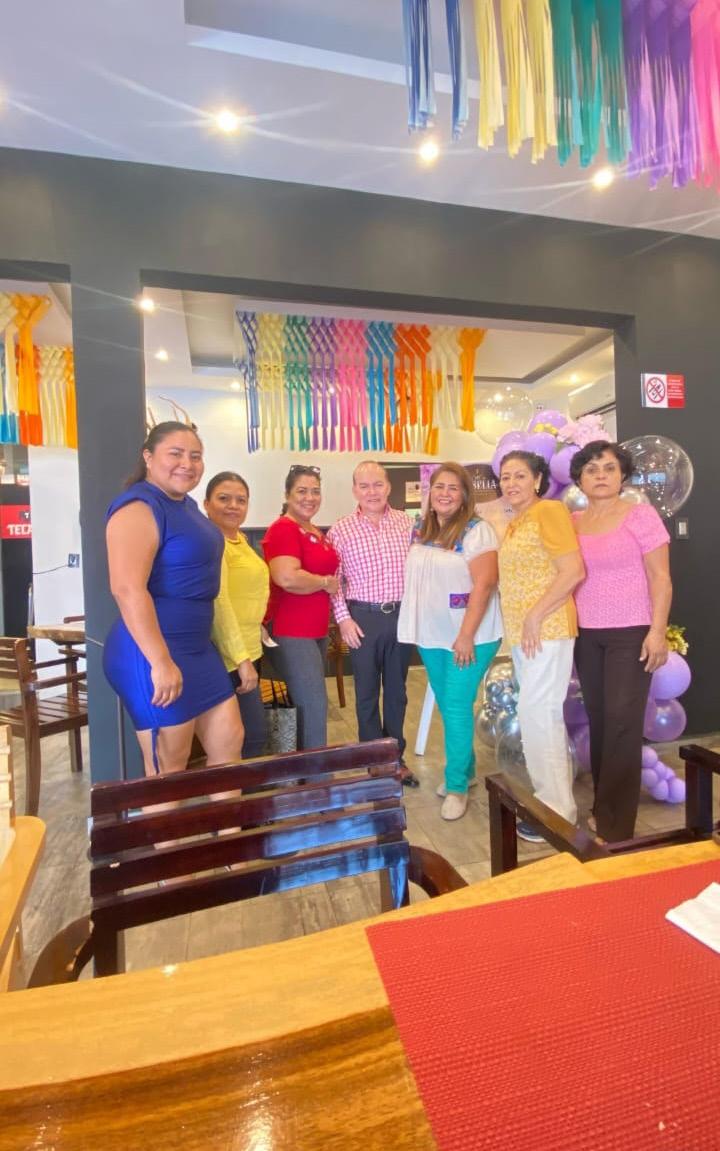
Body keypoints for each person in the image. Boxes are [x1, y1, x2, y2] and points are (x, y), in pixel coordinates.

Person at [104, 422, 244, 777]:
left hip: (198, 649)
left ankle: (230, 817)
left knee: (229, 746)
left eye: (195, 456)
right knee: (170, 770)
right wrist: (161, 661)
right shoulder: (138, 506)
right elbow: (126, 589)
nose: (187, 464)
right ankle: (164, 820)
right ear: (148, 457)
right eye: (176, 454)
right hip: (152, 651)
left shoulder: (188, 505)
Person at [570, 441, 672, 842]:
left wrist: (658, 631)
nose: (600, 475)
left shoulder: (641, 516)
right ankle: (602, 806)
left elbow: (661, 578)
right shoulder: (573, 521)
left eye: (609, 468)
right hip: (585, 634)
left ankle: (617, 826)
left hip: (631, 632)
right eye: (592, 469)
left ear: (623, 475)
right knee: (599, 720)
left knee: (622, 723)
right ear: (579, 478)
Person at [398, 463, 502, 820]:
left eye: (453, 488)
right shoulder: (422, 528)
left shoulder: (477, 530)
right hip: (433, 634)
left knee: (456, 705)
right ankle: (467, 772)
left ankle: (456, 786)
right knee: (448, 705)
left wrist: (466, 635)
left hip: (471, 635)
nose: (444, 493)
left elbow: (485, 585)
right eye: (439, 486)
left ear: (464, 495)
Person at [497, 451, 585, 840]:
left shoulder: (549, 511)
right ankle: (549, 803)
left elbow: (573, 570)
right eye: (505, 477)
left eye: (520, 475)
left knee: (540, 715)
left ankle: (558, 813)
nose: (511, 483)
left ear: (537, 479)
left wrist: (535, 615)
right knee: (535, 716)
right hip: (526, 633)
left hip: (547, 629)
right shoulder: (517, 520)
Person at [327, 461, 417, 785]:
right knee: (366, 693)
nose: (372, 492)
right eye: (364, 486)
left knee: (397, 693)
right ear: (355, 490)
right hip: (362, 619)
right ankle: (373, 759)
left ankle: (395, 757)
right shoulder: (340, 530)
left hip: (402, 616)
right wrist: (344, 620)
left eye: (377, 484)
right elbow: (334, 581)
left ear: (388, 487)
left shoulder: (408, 524)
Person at [262, 465, 340, 750]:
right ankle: (318, 774)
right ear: (287, 494)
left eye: (315, 491)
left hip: (315, 630)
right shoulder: (284, 528)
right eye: (302, 491)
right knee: (314, 706)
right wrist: (324, 582)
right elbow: (286, 578)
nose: (310, 497)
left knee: (311, 707)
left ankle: (304, 769)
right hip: (292, 630)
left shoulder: (313, 530)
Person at [204, 471, 270, 760]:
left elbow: (244, 594)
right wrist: (242, 660)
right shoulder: (214, 543)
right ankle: (236, 789)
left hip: (248, 648)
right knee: (249, 736)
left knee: (250, 736)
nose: (233, 505)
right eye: (224, 498)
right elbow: (220, 602)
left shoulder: (238, 539)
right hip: (228, 656)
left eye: (241, 500)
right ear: (206, 504)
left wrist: (259, 625)